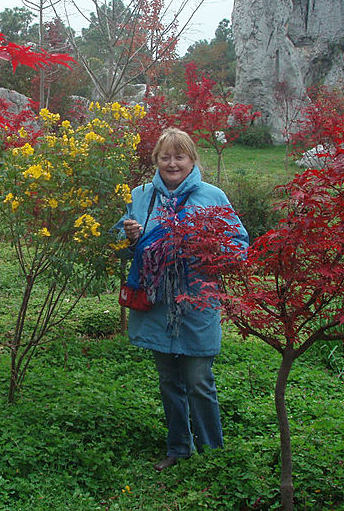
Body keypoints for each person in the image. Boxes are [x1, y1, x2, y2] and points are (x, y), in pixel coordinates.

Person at [119, 127, 248, 472]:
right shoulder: (142, 195)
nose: (172, 163)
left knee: (197, 380)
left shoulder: (212, 196)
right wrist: (130, 238)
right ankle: (178, 447)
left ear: (192, 159)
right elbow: (123, 244)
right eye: (165, 157)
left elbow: (240, 245)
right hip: (157, 303)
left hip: (197, 301)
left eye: (180, 156)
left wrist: (208, 246)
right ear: (156, 160)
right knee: (168, 381)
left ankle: (212, 454)